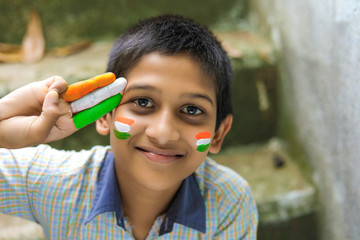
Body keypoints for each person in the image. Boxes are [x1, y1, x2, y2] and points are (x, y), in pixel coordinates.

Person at [0, 15, 258, 239]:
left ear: (218, 134)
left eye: (192, 110)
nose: (163, 132)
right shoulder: (53, 180)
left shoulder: (229, 203)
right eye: (143, 102)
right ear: (104, 115)